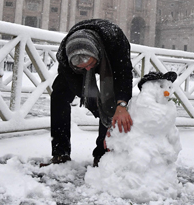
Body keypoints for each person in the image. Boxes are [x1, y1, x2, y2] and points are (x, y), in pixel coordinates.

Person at [43, 19, 134, 167]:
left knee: (109, 102)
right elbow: (77, 86)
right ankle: (61, 153)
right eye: (82, 67)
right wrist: (99, 111)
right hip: (78, 62)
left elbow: (124, 75)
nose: (88, 69)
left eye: (91, 64)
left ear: (96, 54)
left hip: (109, 57)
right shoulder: (64, 57)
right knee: (59, 95)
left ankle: (101, 154)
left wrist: (121, 105)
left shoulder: (115, 41)